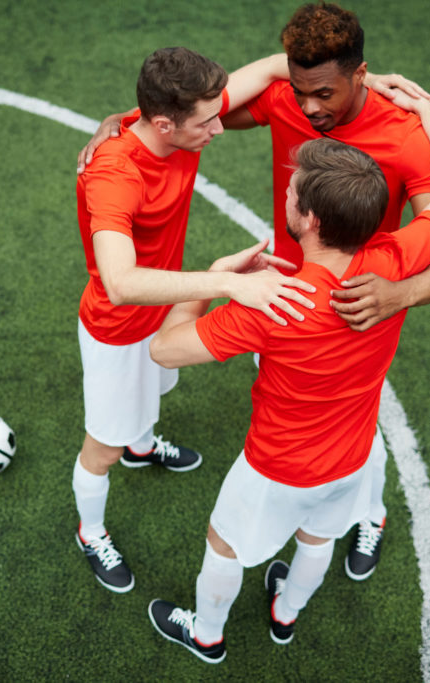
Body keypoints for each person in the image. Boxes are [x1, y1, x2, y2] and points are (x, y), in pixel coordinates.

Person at [79, 2, 430, 583]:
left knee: (358, 411)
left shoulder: (405, 135)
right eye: (301, 90)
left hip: (364, 302)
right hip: (284, 292)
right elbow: (194, 115)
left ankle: (371, 514)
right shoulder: (286, 100)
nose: (310, 109)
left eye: (324, 93)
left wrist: (397, 296)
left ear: (360, 75)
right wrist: (126, 119)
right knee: (319, 413)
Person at [143, 90, 430, 663]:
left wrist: (218, 278)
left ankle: (207, 633)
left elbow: (163, 350)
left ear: (311, 220)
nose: (286, 193)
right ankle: (285, 612)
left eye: (292, 191)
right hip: (351, 458)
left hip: (275, 465)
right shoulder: (392, 260)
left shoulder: (274, 303)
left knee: (224, 543)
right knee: (318, 536)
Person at [73, 47, 318, 594]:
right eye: (207, 121)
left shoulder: (179, 118)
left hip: (166, 313)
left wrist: (372, 81)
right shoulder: (114, 174)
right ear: (164, 123)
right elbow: (120, 282)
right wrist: (226, 283)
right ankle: (90, 531)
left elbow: (274, 66)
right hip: (118, 330)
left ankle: (141, 446)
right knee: (102, 448)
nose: (220, 127)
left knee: (154, 396)